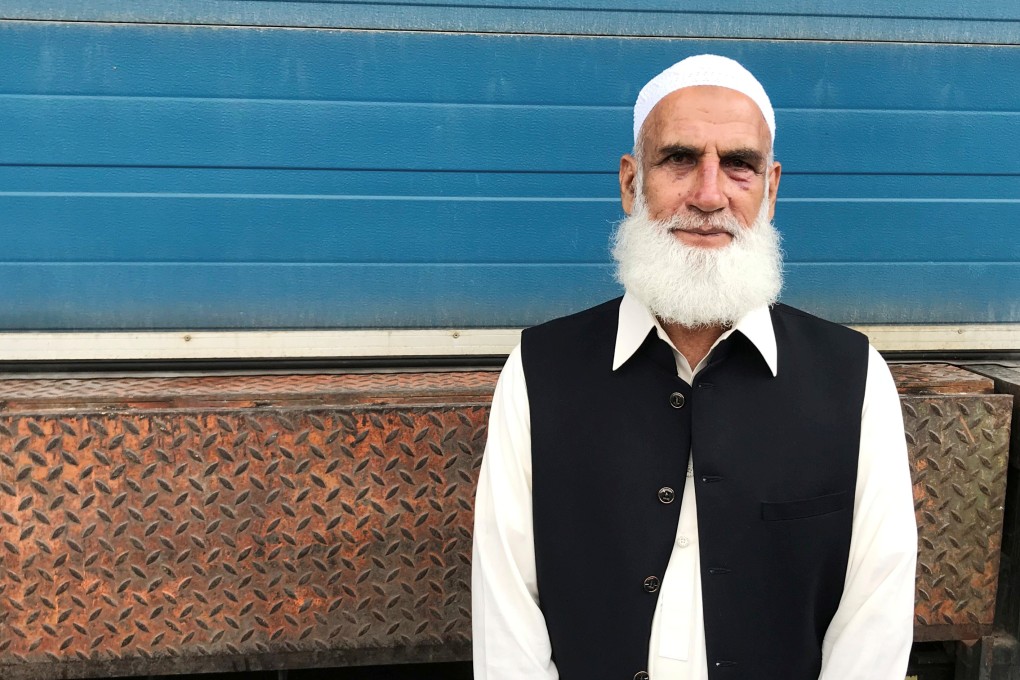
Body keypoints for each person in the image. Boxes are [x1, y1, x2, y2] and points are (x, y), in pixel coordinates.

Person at [471, 54, 917, 680]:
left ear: (771, 189)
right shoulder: (539, 372)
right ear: (630, 183)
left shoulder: (854, 377)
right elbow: (507, 616)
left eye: (740, 165)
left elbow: (874, 619)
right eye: (680, 159)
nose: (710, 195)